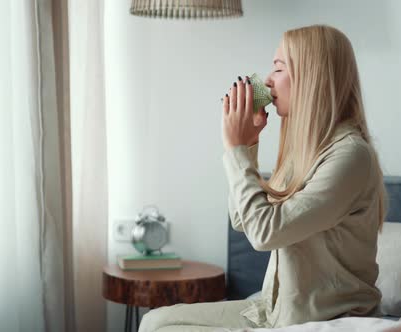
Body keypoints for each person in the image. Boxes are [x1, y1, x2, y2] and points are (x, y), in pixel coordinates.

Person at [138, 24, 388, 332]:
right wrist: (249, 147)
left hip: (320, 319)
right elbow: (242, 219)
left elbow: (264, 234)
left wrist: (236, 149)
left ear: (311, 78)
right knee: (154, 321)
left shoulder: (350, 156)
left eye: (279, 68)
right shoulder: (304, 150)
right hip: (274, 311)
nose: (268, 80)